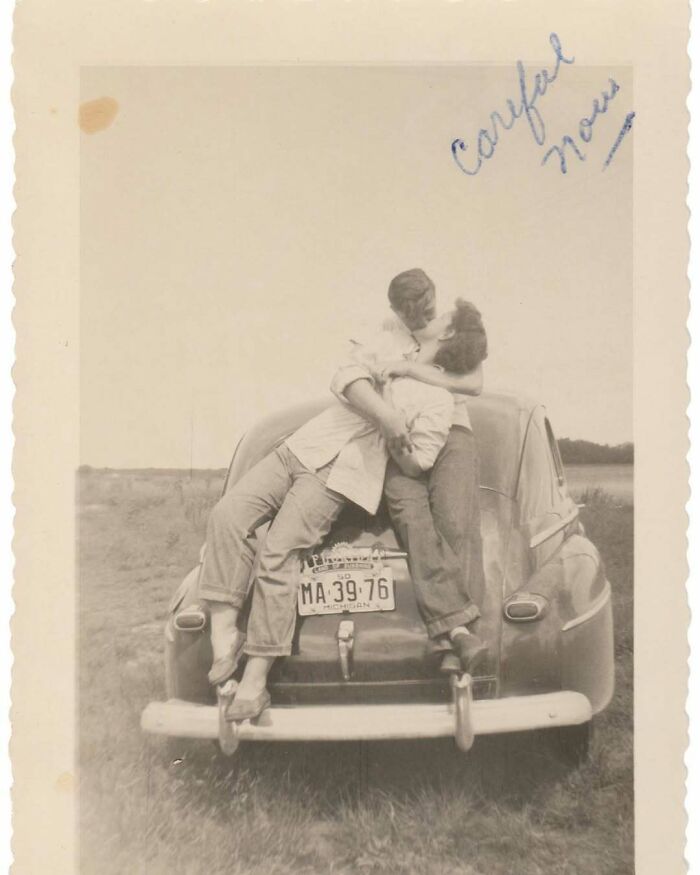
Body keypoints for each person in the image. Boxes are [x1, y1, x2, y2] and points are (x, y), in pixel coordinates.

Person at [197, 301, 487, 721]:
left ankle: (255, 679)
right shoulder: (388, 345)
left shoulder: (441, 401)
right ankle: (224, 642)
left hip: (342, 474)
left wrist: (399, 448)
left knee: (280, 548)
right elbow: (345, 376)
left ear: (445, 337)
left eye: (439, 317)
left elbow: (420, 459)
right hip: (307, 444)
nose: (429, 314)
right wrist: (387, 415)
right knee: (225, 516)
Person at [332, 268, 488, 672]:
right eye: (411, 313)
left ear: (437, 294)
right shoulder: (382, 331)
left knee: (454, 521)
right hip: (401, 434)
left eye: (428, 309)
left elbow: (474, 384)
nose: (422, 319)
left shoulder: (455, 320)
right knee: (409, 514)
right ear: (395, 309)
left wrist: (409, 369)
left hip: (452, 428)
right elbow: (348, 371)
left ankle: (456, 643)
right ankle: (456, 635)